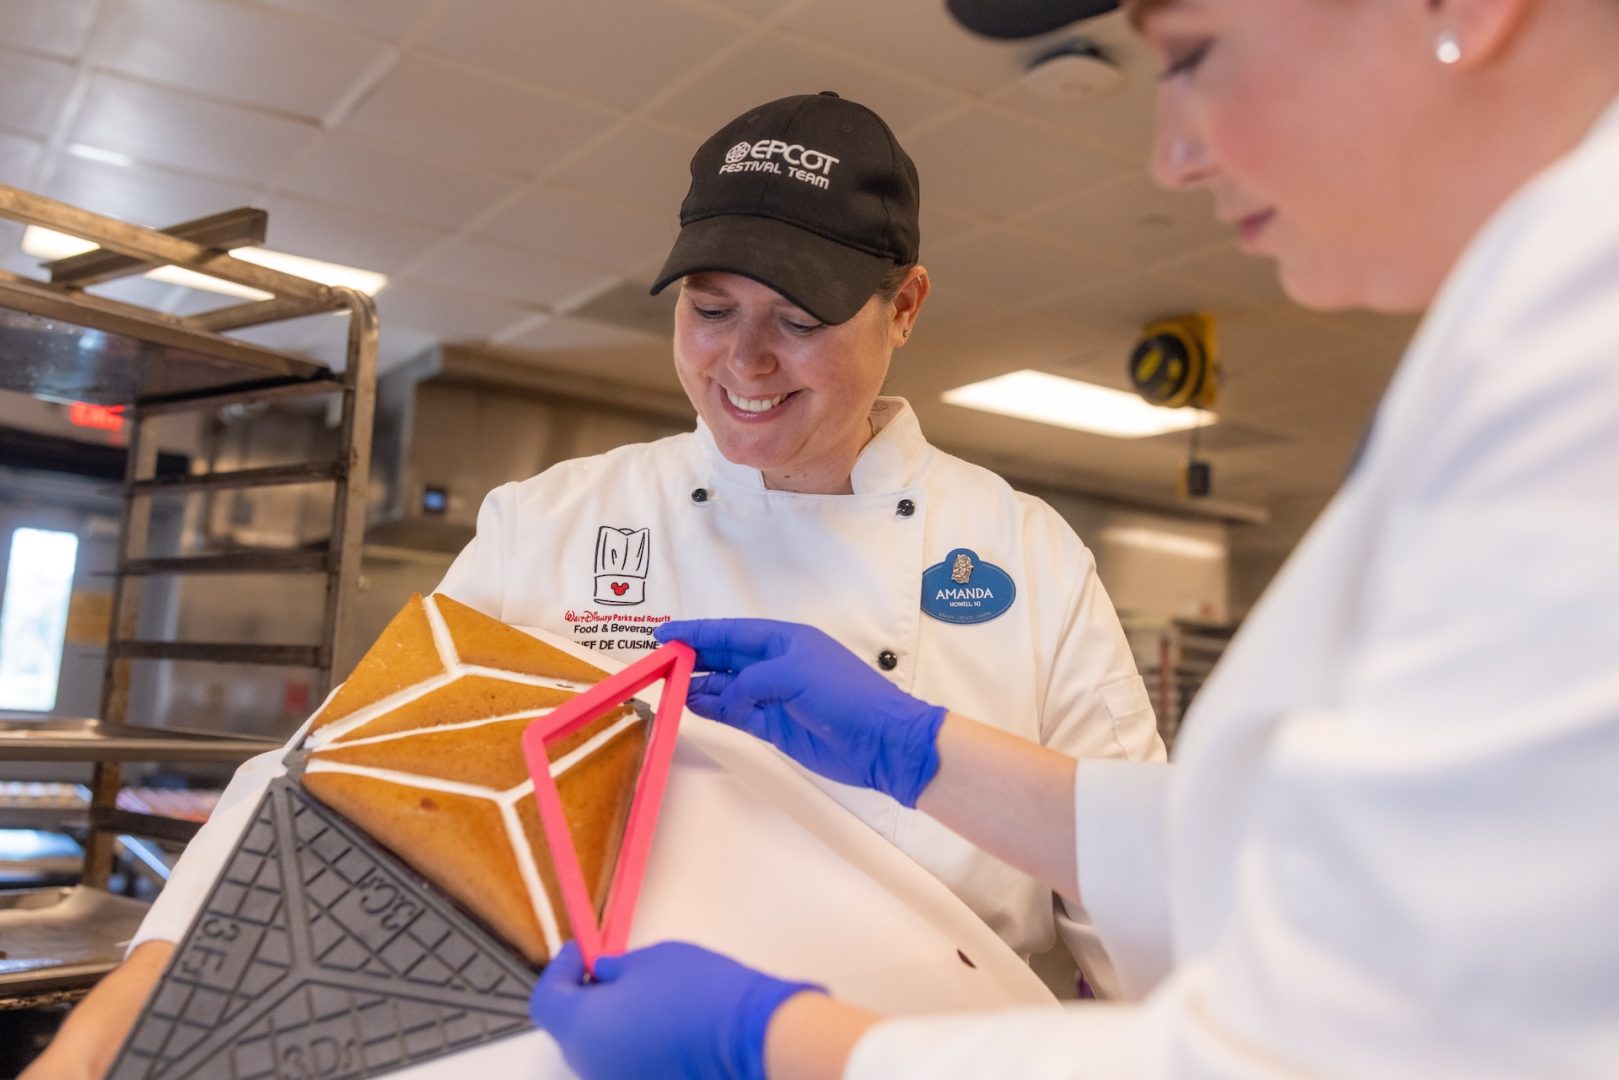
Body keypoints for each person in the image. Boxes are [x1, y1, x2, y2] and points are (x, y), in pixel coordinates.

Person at [524, 0, 1619, 1076]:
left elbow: (1347, 1036)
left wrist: (777, 1047)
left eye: (1190, 55)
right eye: (711, 308)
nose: (1170, 158)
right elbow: (1302, 871)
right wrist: (919, 752)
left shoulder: (1578, 360)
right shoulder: (1526, 328)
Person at [19, 91, 1159, 1079]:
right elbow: (345, 786)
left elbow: (1153, 906)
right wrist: (124, 1017)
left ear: (904, 306)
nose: (744, 362)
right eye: (710, 310)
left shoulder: (1025, 556)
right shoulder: (552, 523)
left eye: (799, 321)